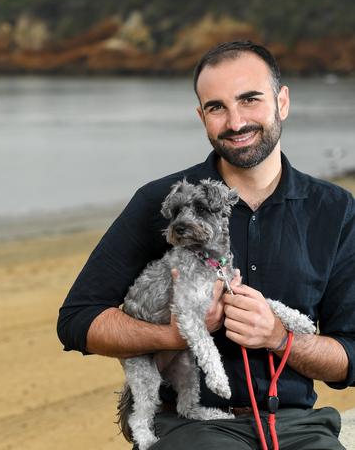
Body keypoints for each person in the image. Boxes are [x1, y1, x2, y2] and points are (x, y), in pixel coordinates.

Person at [57, 41, 355, 449]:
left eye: (250, 100)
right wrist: (171, 336)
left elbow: (350, 357)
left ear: (282, 102)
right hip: (189, 424)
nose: (235, 121)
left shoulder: (336, 209)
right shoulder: (158, 202)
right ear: (202, 117)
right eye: (216, 107)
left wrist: (280, 338)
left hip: (297, 425)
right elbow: (77, 322)